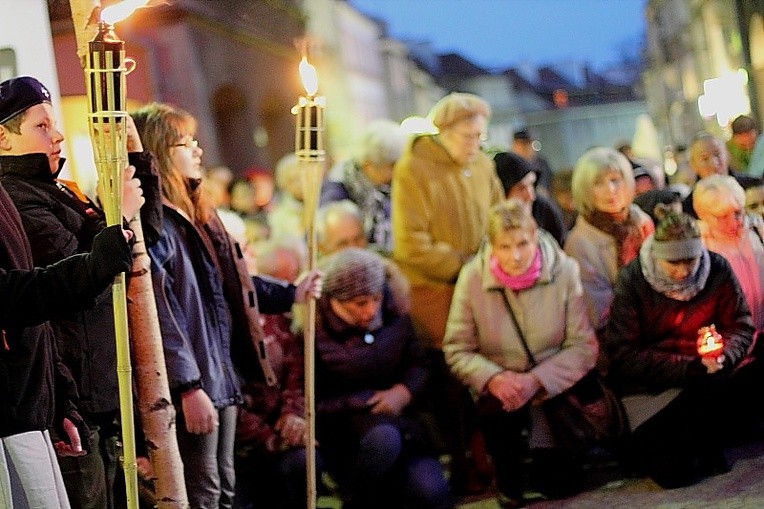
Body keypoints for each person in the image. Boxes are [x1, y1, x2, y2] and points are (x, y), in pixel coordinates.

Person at [131, 102, 321, 508]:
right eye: (186, 142)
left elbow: (230, 285)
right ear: (160, 154)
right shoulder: (156, 224)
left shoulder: (199, 215)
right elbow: (162, 314)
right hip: (196, 379)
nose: (198, 150)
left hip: (219, 372)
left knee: (223, 487)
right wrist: (187, 386)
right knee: (202, 492)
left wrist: (291, 293)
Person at [0, 75, 154, 509]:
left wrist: (135, 162)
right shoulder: (19, 195)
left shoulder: (52, 191)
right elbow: (70, 282)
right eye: (42, 126)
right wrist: (116, 220)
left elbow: (140, 247)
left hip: (76, 392)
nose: (58, 135)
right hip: (51, 398)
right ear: (3, 139)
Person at [443, 199, 598, 508]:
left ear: (535, 235)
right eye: (504, 246)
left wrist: (537, 380)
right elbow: (457, 348)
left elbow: (583, 346)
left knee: (561, 485)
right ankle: (507, 472)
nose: (515, 256)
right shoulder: (473, 278)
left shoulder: (564, 271)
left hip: (551, 384)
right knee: (510, 480)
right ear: (492, 245)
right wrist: (494, 378)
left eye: (522, 243)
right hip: (503, 388)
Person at [391, 92, 504, 495]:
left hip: (481, 287)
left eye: (479, 136)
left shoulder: (483, 165)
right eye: (468, 135)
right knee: (452, 387)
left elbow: (498, 220)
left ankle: (493, 460)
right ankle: (463, 465)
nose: (475, 143)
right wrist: (462, 263)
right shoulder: (414, 169)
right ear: (445, 131)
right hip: (436, 293)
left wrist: (495, 257)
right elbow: (410, 243)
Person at [604, 210, 762, 489]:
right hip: (652, 385)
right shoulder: (633, 280)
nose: (683, 271)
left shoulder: (716, 269)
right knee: (674, 473)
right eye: (673, 263)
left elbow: (740, 324)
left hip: (708, 375)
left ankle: (707, 439)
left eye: (690, 260)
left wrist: (724, 355)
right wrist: (687, 367)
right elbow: (623, 352)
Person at [313, 248, 452, 509]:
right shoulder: (315, 334)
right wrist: (362, 402)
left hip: (405, 428)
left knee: (430, 491)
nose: (370, 310)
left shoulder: (395, 314)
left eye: (375, 299)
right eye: (359, 303)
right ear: (335, 301)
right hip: (351, 441)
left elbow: (420, 365)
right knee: (383, 440)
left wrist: (404, 392)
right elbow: (312, 400)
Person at [234, 237, 322, 509]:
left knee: (304, 464)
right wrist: (267, 437)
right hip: (241, 442)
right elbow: (228, 393)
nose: (252, 254)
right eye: (243, 248)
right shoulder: (224, 320)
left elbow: (295, 372)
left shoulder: (277, 321)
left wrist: (292, 415)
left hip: (279, 429)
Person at [563, 147, 654, 333]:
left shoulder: (641, 222)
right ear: (585, 189)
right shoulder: (579, 244)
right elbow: (598, 312)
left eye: (615, 180)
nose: (610, 190)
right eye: (598, 183)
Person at [320, 119, 407, 255]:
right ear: (368, 165)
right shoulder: (338, 189)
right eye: (390, 166)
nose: (395, 173)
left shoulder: (388, 187)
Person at [693, 175, 764, 338]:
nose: (734, 222)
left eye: (738, 212)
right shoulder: (701, 246)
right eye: (722, 217)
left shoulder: (755, 229)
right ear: (703, 215)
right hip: (732, 339)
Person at [493, 150, 567, 246]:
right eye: (521, 189)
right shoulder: (493, 223)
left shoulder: (544, 209)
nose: (531, 196)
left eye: (531, 184)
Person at [682, 132, 760, 217]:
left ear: (727, 155)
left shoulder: (753, 186)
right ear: (693, 165)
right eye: (704, 159)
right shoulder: (689, 207)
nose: (714, 163)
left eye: (717, 154)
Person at [511, 129, 553, 195]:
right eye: (522, 144)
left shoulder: (541, 163)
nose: (525, 148)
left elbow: (547, 186)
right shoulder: (510, 165)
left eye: (528, 144)